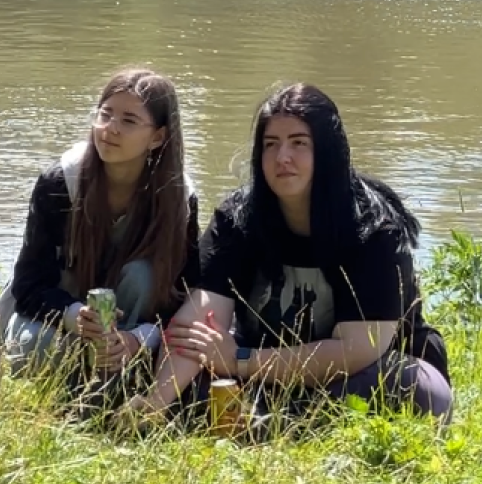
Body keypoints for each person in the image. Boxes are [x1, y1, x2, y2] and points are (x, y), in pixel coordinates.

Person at [123, 84, 451, 423]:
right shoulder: (237, 219)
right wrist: (155, 403)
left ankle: (269, 424)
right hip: (266, 372)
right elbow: (198, 322)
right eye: (271, 144)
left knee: (421, 390)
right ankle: (272, 423)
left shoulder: (376, 231)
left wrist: (240, 359)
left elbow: (356, 350)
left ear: (327, 152)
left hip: (357, 372)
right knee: (189, 369)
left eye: (298, 143)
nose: (282, 158)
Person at [0, 70, 199, 387]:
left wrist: (137, 340)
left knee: (143, 275)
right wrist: (74, 316)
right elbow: (28, 284)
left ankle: (117, 375)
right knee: (32, 345)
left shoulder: (179, 197)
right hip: (63, 320)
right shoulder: (60, 183)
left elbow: (186, 293)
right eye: (105, 114)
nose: (110, 129)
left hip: (134, 331)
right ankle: (74, 380)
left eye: (129, 121)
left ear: (157, 137)